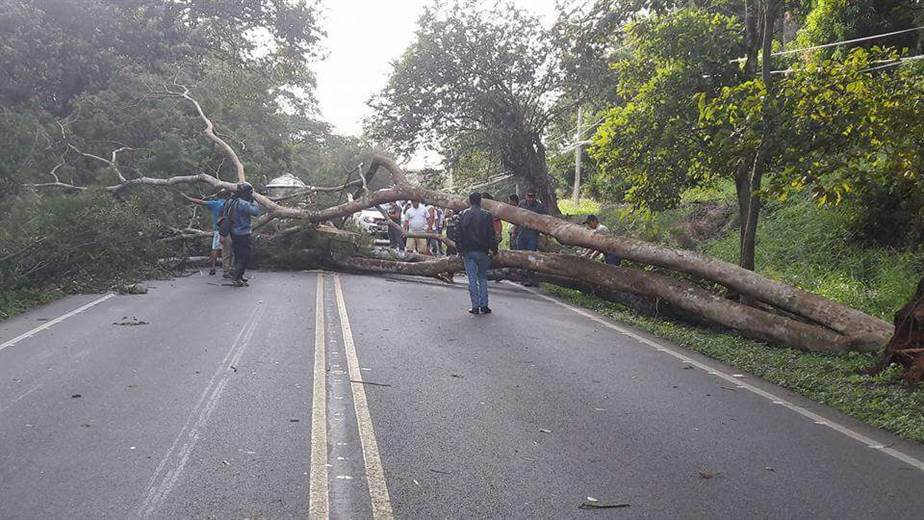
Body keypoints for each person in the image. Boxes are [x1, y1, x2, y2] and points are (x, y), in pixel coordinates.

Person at [458, 192, 498, 314]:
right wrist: (494, 249)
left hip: (468, 250)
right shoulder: (486, 215)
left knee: (472, 278)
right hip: (483, 250)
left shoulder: (463, 214)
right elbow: (491, 234)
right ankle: (484, 305)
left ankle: (475, 306)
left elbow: (458, 234)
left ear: (470, 201)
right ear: (480, 201)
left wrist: (459, 250)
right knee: (482, 278)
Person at [182, 191, 230, 276]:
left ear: (218, 196)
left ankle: (213, 267)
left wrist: (188, 198)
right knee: (228, 250)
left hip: (218, 229)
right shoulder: (230, 203)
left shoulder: (214, 203)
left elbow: (200, 202)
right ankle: (228, 268)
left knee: (215, 248)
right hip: (229, 229)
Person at [226, 182, 262, 287]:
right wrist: (254, 200)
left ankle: (240, 275)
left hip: (233, 232)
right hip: (243, 233)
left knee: (238, 255)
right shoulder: (242, 203)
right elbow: (255, 212)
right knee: (244, 256)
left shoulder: (231, 201)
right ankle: (236, 277)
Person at [516, 189, 547, 285]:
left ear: (535, 197)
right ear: (526, 196)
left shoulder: (539, 207)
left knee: (531, 255)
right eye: (529, 196)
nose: (530, 198)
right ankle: (522, 276)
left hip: (533, 234)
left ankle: (530, 276)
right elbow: (517, 218)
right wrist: (515, 230)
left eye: (532, 196)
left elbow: (545, 221)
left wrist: (545, 236)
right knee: (521, 254)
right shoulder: (522, 204)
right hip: (522, 232)